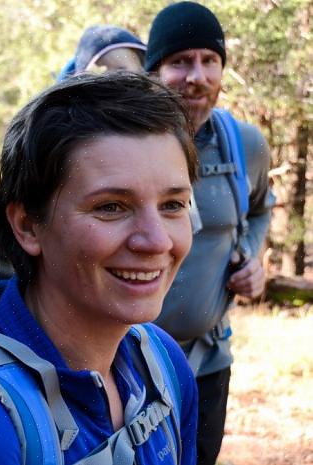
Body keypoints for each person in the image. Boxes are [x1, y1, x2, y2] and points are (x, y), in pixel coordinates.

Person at [0, 73, 199, 464]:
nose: (157, 241)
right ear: (27, 226)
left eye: (172, 205)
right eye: (111, 207)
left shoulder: (163, 366)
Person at [144, 4, 274, 465]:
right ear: (154, 71)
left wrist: (249, 255)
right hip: (127, 364)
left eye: (209, 60)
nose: (196, 76)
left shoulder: (245, 146)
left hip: (208, 364)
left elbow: (261, 207)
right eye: (179, 62)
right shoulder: (126, 146)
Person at [56, 25, 146, 81]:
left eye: (121, 71)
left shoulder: (153, 94)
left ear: (141, 67)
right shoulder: (85, 107)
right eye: (101, 75)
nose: (112, 79)